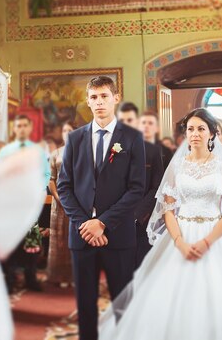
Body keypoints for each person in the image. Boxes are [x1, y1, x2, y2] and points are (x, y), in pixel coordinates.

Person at [99, 108, 222, 340]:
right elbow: (168, 209)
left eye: (201, 129)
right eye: (191, 129)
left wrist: (207, 241)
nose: (195, 133)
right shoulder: (177, 166)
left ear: (211, 134)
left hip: (215, 235)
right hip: (180, 235)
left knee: (220, 298)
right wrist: (179, 242)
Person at [58, 76, 146, 340]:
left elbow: (136, 188)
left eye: (104, 96)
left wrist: (103, 222)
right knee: (85, 304)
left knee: (122, 301)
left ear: (115, 98)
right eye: (94, 97)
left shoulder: (132, 138)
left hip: (117, 235)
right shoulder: (74, 139)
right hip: (83, 235)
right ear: (88, 101)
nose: (99, 102)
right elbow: (64, 187)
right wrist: (86, 225)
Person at [0, 114, 50, 292]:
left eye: (24, 126)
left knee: (31, 243)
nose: (21, 128)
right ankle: (10, 280)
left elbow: (46, 174)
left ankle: (31, 278)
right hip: (10, 205)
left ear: (29, 128)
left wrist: (37, 191)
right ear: (14, 128)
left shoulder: (37, 151)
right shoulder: (6, 152)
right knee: (11, 243)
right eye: (18, 125)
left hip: (29, 205)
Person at [117, 102, 164, 268]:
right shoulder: (112, 149)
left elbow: (156, 186)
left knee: (141, 265)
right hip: (116, 216)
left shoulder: (152, 150)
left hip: (142, 218)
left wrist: (137, 213)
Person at [47, 121, 75, 286]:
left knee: (74, 238)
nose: (66, 133)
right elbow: (51, 179)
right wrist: (58, 197)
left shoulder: (81, 152)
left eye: (69, 130)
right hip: (59, 202)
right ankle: (59, 276)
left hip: (75, 202)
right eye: (64, 130)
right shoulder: (56, 153)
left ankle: (73, 276)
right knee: (59, 239)